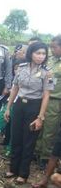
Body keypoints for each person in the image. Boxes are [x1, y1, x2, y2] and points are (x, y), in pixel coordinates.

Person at [4, 42, 54, 184]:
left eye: (43, 54)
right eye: (37, 53)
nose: (40, 56)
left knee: (29, 141)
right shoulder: (21, 68)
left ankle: (23, 173)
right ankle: (13, 168)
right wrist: (8, 108)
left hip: (35, 106)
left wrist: (40, 117)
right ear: (31, 53)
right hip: (19, 105)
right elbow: (15, 88)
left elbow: (46, 95)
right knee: (16, 138)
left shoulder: (47, 72)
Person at [36, 35, 61, 170]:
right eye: (50, 47)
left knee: (50, 130)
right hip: (42, 98)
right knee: (40, 126)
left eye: (54, 47)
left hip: (56, 101)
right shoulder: (49, 60)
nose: (51, 50)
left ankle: (45, 157)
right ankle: (37, 152)